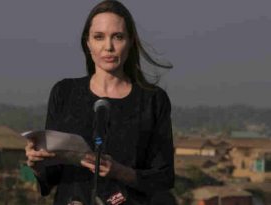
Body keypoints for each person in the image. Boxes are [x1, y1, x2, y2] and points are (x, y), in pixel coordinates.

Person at [25, 1, 175, 204]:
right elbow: (52, 177)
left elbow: (163, 178)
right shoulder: (64, 92)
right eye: (99, 37)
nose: (109, 47)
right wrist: (37, 165)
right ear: (87, 43)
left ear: (130, 42)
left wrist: (120, 172)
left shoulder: (152, 100)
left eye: (118, 37)